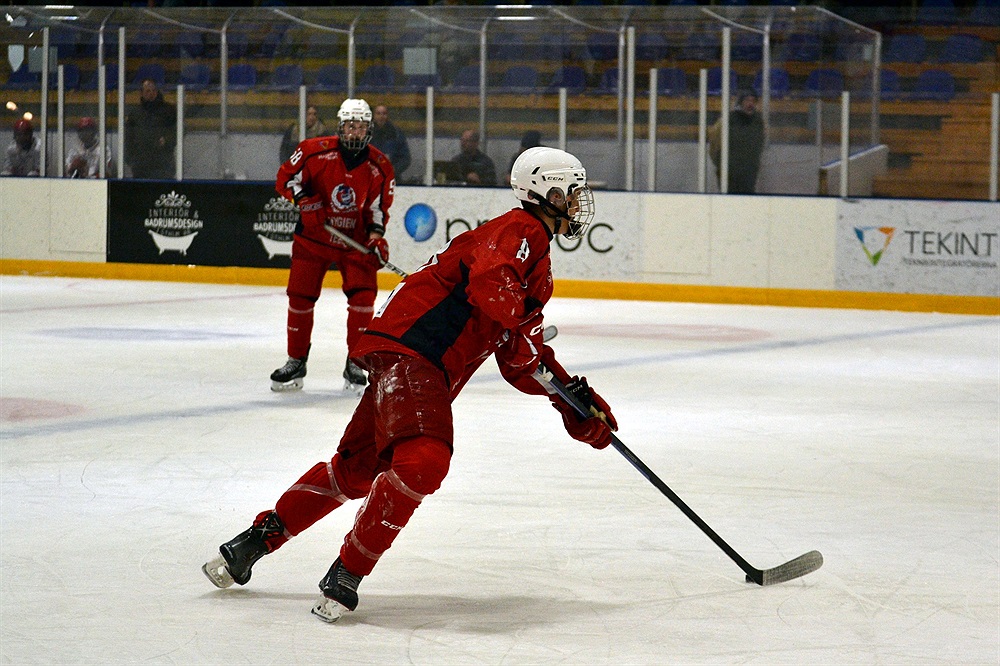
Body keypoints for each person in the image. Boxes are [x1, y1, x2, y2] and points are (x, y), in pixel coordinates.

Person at [202, 146, 618, 624]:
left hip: (405, 359)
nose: (579, 202)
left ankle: (254, 541)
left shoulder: (536, 266)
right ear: (549, 191)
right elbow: (493, 288)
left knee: (357, 470)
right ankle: (346, 574)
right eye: (574, 191)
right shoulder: (520, 232)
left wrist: (572, 401)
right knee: (424, 461)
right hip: (415, 355)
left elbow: (519, 360)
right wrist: (523, 327)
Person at [268, 98, 395, 394]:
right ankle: (296, 361)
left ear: (369, 130)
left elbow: (378, 209)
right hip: (313, 239)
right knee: (300, 298)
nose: (355, 132)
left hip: (355, 243)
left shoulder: (381, 166)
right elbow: (285, 179)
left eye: (361, 127)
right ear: (340, 127)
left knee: (363, 300)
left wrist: (376, 238)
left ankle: (356, 362)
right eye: (350, 126)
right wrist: (303, 201)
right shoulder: (313, 151)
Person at [708, 91, 765, 194]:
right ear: (740, 102)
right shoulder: (728, 119)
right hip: (729, 169)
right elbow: (715, 142)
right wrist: (720, 164)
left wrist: (753, 164)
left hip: (748, 169)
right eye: (747, 100)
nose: (750, 104)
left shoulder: (758, 121)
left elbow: (759, 144)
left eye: (753, 101)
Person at [124, 78, 176, 179]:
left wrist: (167, 139)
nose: (151, 93)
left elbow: (179, 129)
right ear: (141, 93)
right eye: (148, 91)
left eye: (154, 90)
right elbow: (128, 137)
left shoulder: (168, 110)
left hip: (163, 164)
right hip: (141, 166)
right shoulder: (135, 113)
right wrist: (130, 159)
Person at [369, 104, 411, 181]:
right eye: (378, 113)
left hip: (392, 179)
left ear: (387, 116)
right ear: (374, 116)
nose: (381, 116)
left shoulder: (396, 133)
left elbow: (405, 158)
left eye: (384, 113)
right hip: (369, 179)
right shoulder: (366, 134)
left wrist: (393, 169)